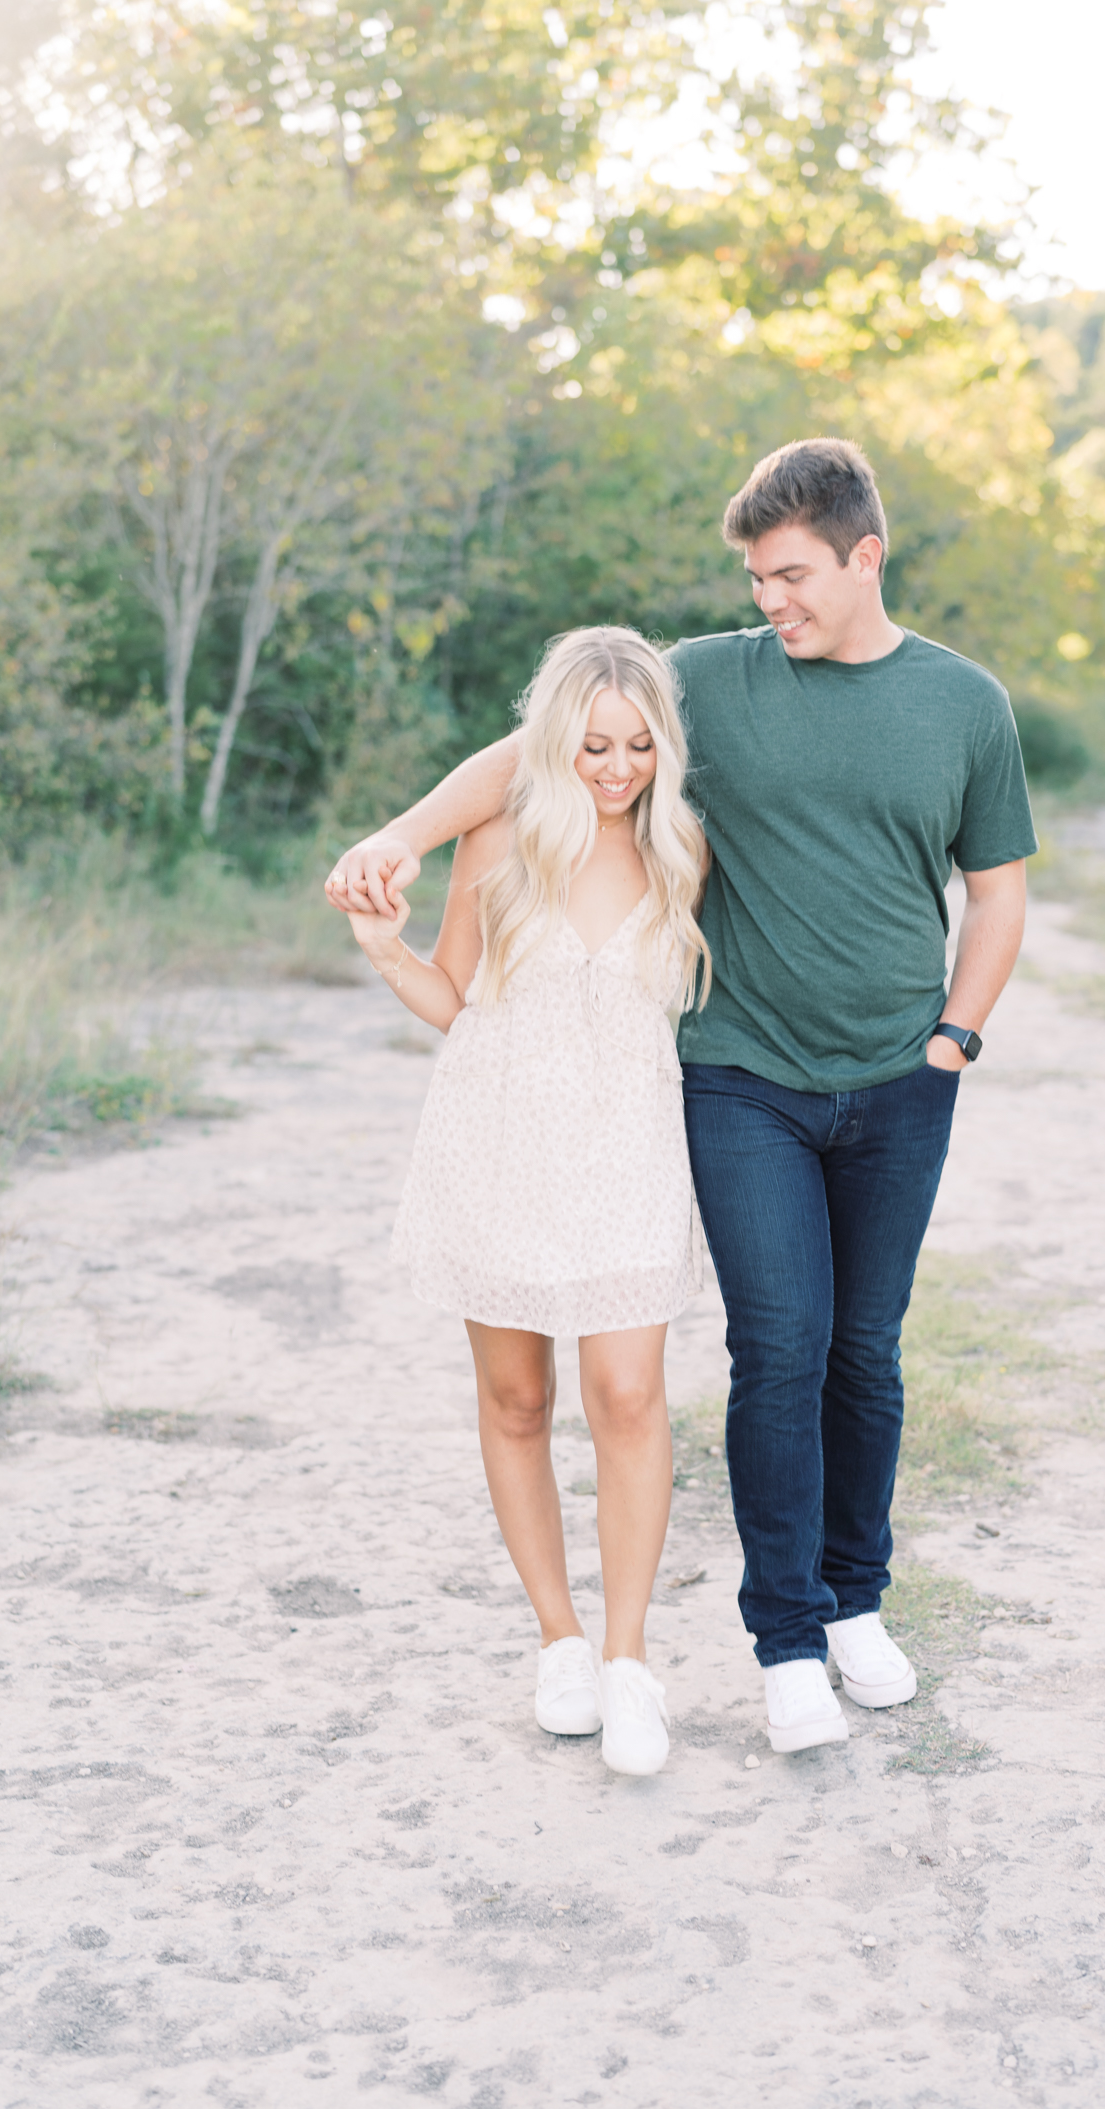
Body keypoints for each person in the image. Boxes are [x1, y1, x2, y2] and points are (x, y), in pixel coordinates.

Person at [327, 438, 1035, 1756]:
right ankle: (732, 1639)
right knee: (755, 1353)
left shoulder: (946, 710)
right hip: (697, 1093)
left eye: (789, 575)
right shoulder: (702, 677)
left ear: (861, 555)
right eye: (755, 578)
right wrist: (398, 842)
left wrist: (952, 1040)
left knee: (849, 1354)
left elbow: (995, 891)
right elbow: (537, 748)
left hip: (862, 1086)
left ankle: (831, 1611)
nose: (769, 599)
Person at [332, 626, 711, 1777]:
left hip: (631, 1149)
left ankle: (631, 1660)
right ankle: (558, 1640)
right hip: (498, 1140)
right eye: (592, 744)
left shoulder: (684, 845)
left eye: (638, 745)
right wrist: (382, 948)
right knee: (514, 1397)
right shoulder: (497, 837)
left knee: (629, 1394)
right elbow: (455, 997)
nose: (613, 767)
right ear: (552, 741)